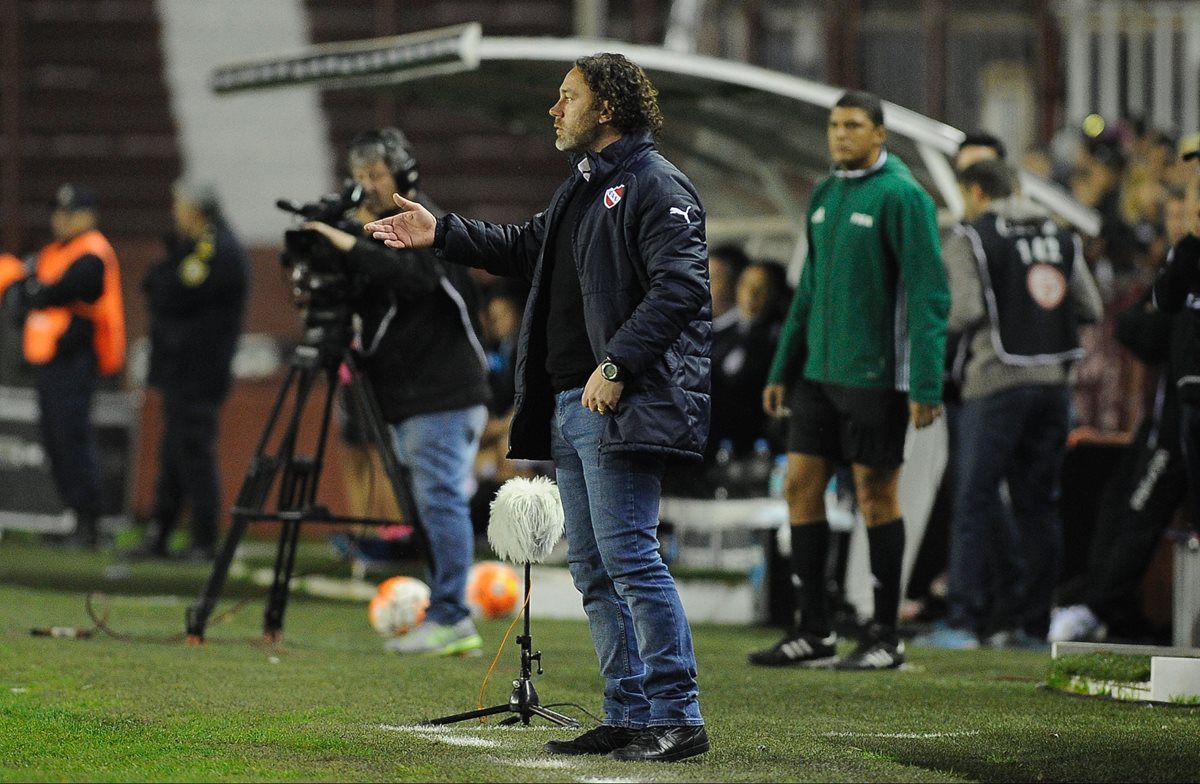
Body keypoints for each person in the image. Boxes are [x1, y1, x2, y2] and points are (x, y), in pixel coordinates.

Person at [366, 53, 711, 763]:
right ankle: (627, 711)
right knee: (591, 567)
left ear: (606, 108)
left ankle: (677, 713)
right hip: (570, 402)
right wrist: (443, 234)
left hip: (617, 398)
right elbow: (523, 247)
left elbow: (682, 289)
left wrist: (616, 364)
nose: (555, 110)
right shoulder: (581, 190)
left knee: (629, 558)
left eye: (567, 97)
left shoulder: (655, 183)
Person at [749, 90, 950, 670]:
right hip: (818, 373)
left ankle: (885, 635)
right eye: (834, 125)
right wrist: (783, 366)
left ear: (879, 134)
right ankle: (814, 630)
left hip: (876, 378)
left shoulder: (904, 197)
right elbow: (808, 289)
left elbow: (930, 295)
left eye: (853, 125)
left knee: (875, 497)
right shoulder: (823, 193)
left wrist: (925, 385)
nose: (840, 134)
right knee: (799, 488)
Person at [303, 127, 492, 656]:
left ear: (404, 173)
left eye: (377, 175)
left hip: (443, 391)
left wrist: (343, 238)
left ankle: (453, 615)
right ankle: (446, 610)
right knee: (429, 506)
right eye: (360, 176)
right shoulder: (376, 229)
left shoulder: (421, 222)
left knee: (440, 502)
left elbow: (410, 277)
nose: (367, 187)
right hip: (414, 394)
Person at [918, 159, 1102, 649]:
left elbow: (966, 310)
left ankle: (963, 620)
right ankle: (1032, 625)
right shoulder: (1060, 237)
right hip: (1054, 386)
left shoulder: (971, 238)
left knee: (975, 499)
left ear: (976, 192)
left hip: (995, 382)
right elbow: (1090, 307)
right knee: (1039, 506)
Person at [134, 181, 249, 561]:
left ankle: (204, 539)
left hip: (198, 367)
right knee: (174, 453)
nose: (175, 212)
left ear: (196, 210)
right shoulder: (200, 244)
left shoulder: (215, 248)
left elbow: (170, 289)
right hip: (184, 366)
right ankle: (162, 532)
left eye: (180, 206)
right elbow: (157, 282)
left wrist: (163, 283)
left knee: (194, 451)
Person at [16, 184, 125, 549]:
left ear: (87, 216)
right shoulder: (54, 252)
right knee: (55, 440)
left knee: (72, 439)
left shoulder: (92, 251)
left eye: (68, 212)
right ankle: (75, 516)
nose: (59, 219)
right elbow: (26, 288)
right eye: (57, 212)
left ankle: (89, 523)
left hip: (76, 360)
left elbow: (62, 290)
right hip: (50, 361)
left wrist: (38, 293)